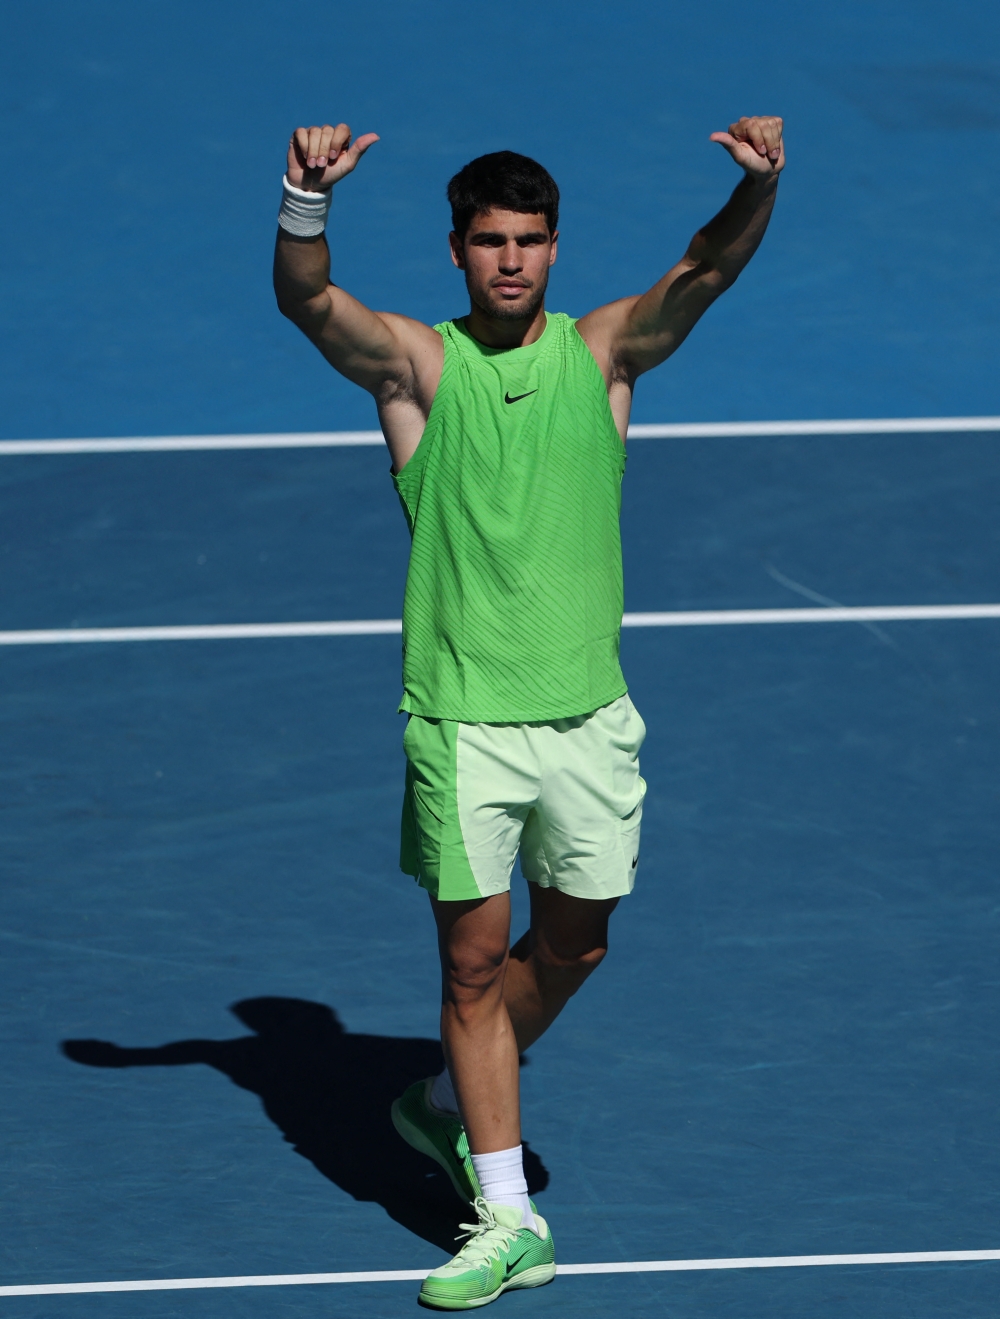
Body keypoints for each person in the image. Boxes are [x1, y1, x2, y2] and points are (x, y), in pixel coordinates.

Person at [273, 113, 784, 1310]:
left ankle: (444, 1095)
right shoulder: (418, 368)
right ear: (456, 249)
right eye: (491, 240)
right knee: (465, 966)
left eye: (532, 241)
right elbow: (309, 300)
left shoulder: (603, 355)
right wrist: (305, 200)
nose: (512, 260)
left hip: (590, 719)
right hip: (463, 721)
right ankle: (506, 1213)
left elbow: (704, 268)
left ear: (554, 250)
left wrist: (761, 184)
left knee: (576, 943)